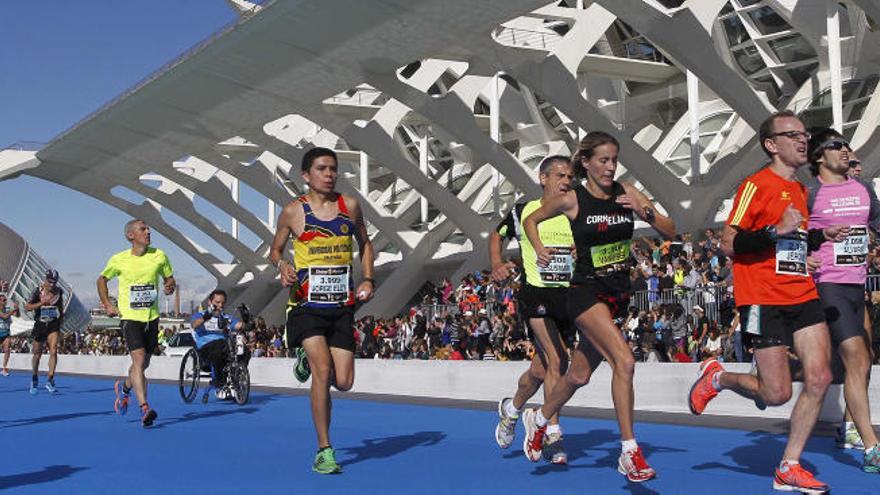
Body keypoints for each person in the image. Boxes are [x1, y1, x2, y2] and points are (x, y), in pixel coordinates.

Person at [688, 111, 841, 493]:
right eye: (793, 135)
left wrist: (818, 240)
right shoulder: (754, 186)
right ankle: (718, 377)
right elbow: (728, 243)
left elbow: (790, 244)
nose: (803, 141)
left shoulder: (801, 190)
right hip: (760, 301)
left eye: (804, 134)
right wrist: (777, 230)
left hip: (801, 293)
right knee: (776, 394)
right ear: (772, 145)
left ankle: (789, 465)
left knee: (821, 376)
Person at [520, 131, 675, 482]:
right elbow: (531, 220)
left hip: (616, 295)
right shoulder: (572, 199)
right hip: (584, 293)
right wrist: (540, 247)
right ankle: (629, 452)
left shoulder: (626, 192)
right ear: (585, 163)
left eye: (614, 160)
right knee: (625, 361)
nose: (610, 167)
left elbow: (671, 230)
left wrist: (644, 210)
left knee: (578, 375)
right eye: (603, 160)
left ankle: (540, 418)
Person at [269, 147, 375, 474]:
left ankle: (306, 358)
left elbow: (365, 243)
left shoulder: (350, 207)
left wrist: (369, 278)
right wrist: (283, 264)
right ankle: (324, 450)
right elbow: (275, 250)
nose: (329, 174)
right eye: (321, 169)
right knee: (323, 371)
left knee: (343, 382)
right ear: (306, 175)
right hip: (305, 306)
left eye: (333, 169)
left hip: (342, 306)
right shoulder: (292, 211)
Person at [491, 155, 600, 465]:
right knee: (558, 360)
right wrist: (497, 263)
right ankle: (551, 431)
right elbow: (495, 237)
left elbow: (587, 247)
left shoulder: (573, 211)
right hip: (535, 294)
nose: (566, 182)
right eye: (560, 176)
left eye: (570, 177)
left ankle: (511, 409)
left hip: (567, 297)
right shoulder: (523, 211)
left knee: (539, 370)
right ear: (543, 178)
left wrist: (582, 251)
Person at [804, 127, 880, 471]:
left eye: (847, 145)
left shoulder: (863, 188)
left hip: (856, 285)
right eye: (838, 146)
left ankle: (851, 427)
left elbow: (877, 222)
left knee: (860, 359)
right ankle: (871, 445)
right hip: (827, 283)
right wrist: (805, 255)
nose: (846, 150)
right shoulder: (809, 192)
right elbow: (792, 234)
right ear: (820, 156)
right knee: (856, 356)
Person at [97, 219, 175, 427]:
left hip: (152, 317)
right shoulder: (118, 259)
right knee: (139, 361)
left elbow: (169, 278)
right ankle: (144, 408)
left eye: (149, 228)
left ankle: (124, 389)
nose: (148, 232)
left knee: (143, 364)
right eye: (143, 229)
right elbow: (102, 280)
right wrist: (107, 303)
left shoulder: (159, 255)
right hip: (130, 317)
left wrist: (170, 286)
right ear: (131, 235)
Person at [190, 289, 250, 401]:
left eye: (222, 303)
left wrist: (246, 320)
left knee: (245, 350)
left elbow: (238, 325)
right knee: (219, 348)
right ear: (210, 302)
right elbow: (194, 325)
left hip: (224, 345)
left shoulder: (226, 317)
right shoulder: (200, 315)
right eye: (217, 302)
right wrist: (206, 317)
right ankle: (220, 383)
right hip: (206, 347)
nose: (220, 305)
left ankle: (238, 376)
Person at [25, 269, 64, 394]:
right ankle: (34, 377)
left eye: (54, 282)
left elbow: (61, 307)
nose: (52, 284)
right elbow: (27, 307)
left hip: (53, 324)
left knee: (53, 350)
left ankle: (50, 379)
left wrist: (61, 319)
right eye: (50, 281)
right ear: (45, 279)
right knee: (37, 354)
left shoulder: (59, 292)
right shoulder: (37, 291)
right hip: (40, 325)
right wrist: (41, 303)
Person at [0, 293, 20, 376]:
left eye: (5, 300)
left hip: (6, 332)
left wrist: (17, 309)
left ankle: (4, 368)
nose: (5, 302)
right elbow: (4, 316)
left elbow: (17, 315)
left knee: (7, 349)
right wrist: (11, 312)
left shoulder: (8, 308)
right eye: (3, 300)